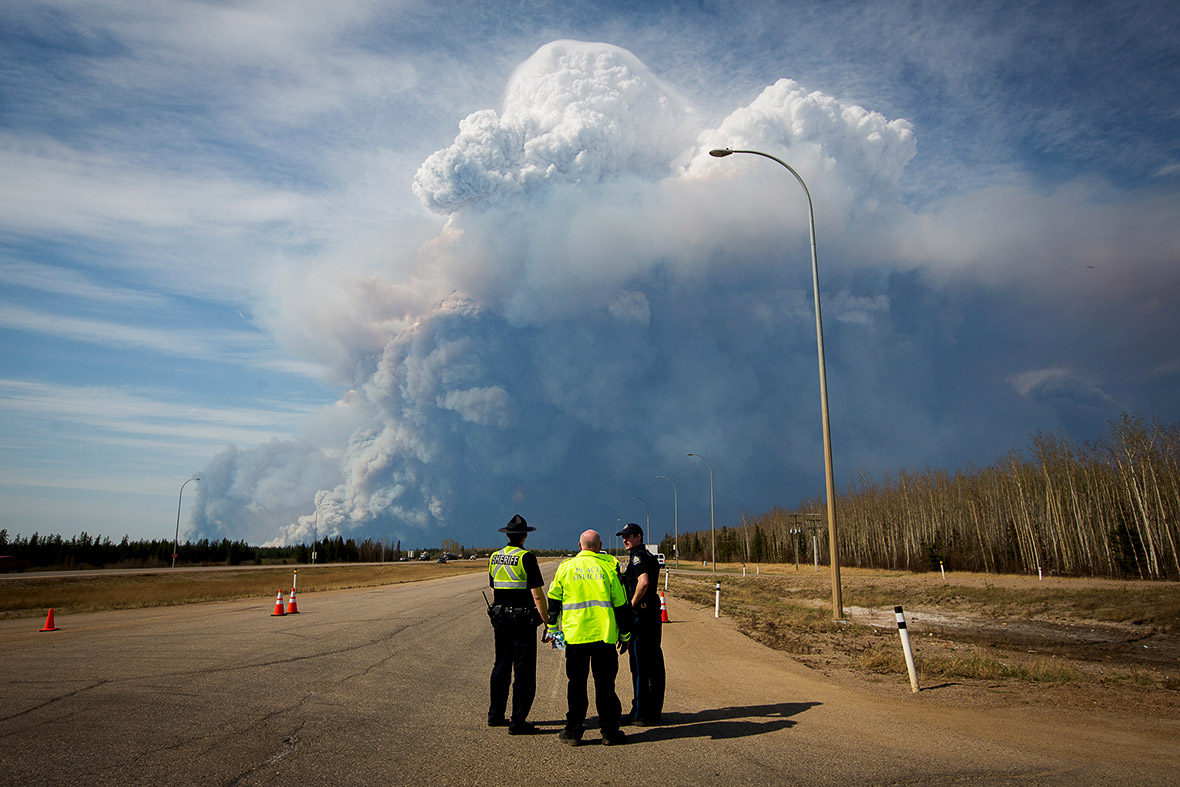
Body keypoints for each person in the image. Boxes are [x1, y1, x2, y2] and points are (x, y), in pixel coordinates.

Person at [546, 529, 632, 746]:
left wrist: (552, 630)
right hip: (604, 637)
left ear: (579, 545)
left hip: (575, 638)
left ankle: (574, 732)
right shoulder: (608, 566)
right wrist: (626, 634)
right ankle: (609, 733)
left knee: (576, 685)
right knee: (605, 686)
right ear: (600, 545)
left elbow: (553, 602)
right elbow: (620, 604)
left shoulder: (565, 568)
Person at [487, 514, 548, 735]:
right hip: (522, 621)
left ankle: (495, 714)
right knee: (523, 670)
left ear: (507, 534)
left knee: (501, 666)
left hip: (500, 617)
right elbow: (537, 595)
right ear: (524, 536)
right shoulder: (527, 558)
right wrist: (546, 621)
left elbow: (494, 590)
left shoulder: (494, 557)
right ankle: (518, 720)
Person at [617, 522, 665, 725]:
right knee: (654, 663)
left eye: (629, 536)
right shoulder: (648, 556)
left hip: (642, 617)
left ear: (639, 536)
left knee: (639, 665)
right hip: (652, 615)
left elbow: (643, 582)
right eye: (623, 537)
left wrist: (630, 605)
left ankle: (639, 713)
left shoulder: (637, 557)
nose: (625, 540)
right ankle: (653, 711)